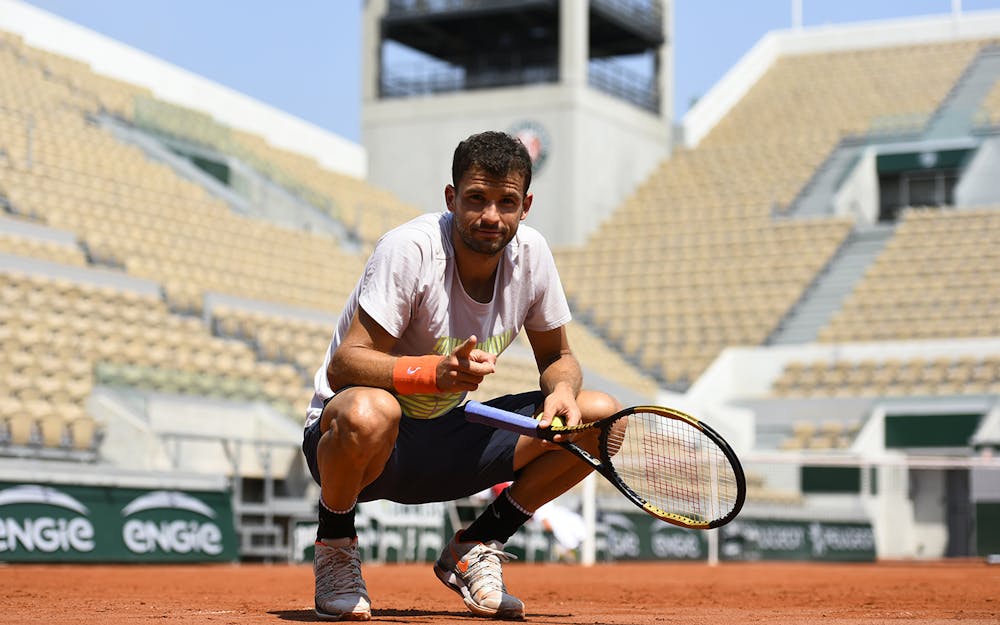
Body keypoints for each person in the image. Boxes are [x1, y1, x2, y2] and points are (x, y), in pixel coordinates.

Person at [302, 130, 620, 621]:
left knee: (599, 417)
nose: (491, 216)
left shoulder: (532, 256)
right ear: (451, 198)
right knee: (370, 410)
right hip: (361, 442)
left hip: (450, 435)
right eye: (476, 199)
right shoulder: (410, 249)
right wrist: (432, 373)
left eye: (506, 202)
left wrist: (561, 389)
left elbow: (558, 355)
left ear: (526, 205)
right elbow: (346, 364)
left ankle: (475, 545)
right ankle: (336, 546)